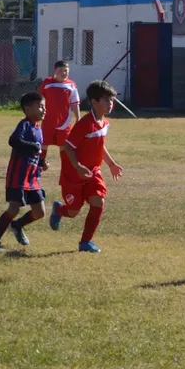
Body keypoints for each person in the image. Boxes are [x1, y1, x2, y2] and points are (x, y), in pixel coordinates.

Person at [48, 80, 124, 253]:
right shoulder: (84, 124)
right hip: (74, 175)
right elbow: (68, 147)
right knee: (73, 211)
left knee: (98, 201)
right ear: (94, 102)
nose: (110, 104)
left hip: (93, 172)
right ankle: (59, 210)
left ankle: (85, 242)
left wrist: (111, 164)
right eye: (106, 100)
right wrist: (78, 166)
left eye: (111, 100)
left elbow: (100, 145)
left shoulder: (104, 123)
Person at [0, 93, 48, 252]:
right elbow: (14, 141)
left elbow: (35, 152)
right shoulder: (24, 124)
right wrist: (31, 146)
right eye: (40, 106)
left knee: (40, 212)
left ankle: (17, 225)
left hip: (32, 178)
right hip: (18, 177)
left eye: (44, 106)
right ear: (27, 109)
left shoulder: (39, 129)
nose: (44, 109)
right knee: (13, 208)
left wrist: (41, 163)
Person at [39, 60, 81, 161]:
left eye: (66, 70)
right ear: (54, 71)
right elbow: (40, 99)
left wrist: (78, 118)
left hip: (65, 123)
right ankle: (38, 168)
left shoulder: (72, 85)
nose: (63, 73)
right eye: (60, 70)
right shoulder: (47, 82)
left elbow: (75, 103)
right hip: (48, 121)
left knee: (64, 147)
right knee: (44, 144)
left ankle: (66, 172)